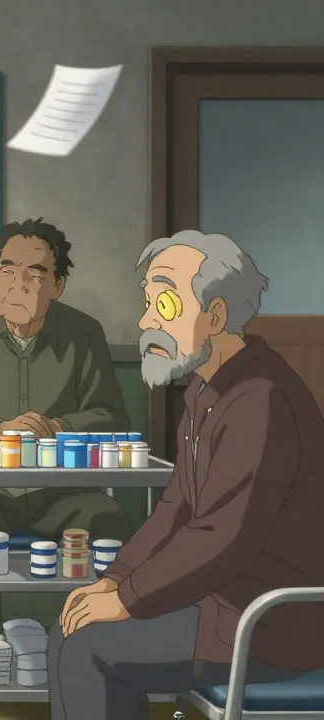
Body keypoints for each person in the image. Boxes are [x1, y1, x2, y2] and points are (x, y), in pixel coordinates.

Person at [48, 230, 324, 720]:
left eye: (165, 304)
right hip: (217, 600)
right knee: (72, 629)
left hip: (264, 623)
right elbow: (176, 509)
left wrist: (129, 600)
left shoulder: (261, 399)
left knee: (87, 648)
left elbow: (224, 538)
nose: (146, 322)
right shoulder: (205, 391)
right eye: (148, 304)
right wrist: (116, 581)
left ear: (215, 316)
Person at [0, 219, 132, 683]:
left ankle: (91, 662)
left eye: (35, 273)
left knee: (108, 519)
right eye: (8, 269)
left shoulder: (84, 333)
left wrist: (57, 427)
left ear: (57, 286)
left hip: (63, 490)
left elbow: (111, 417)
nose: (19, 283)